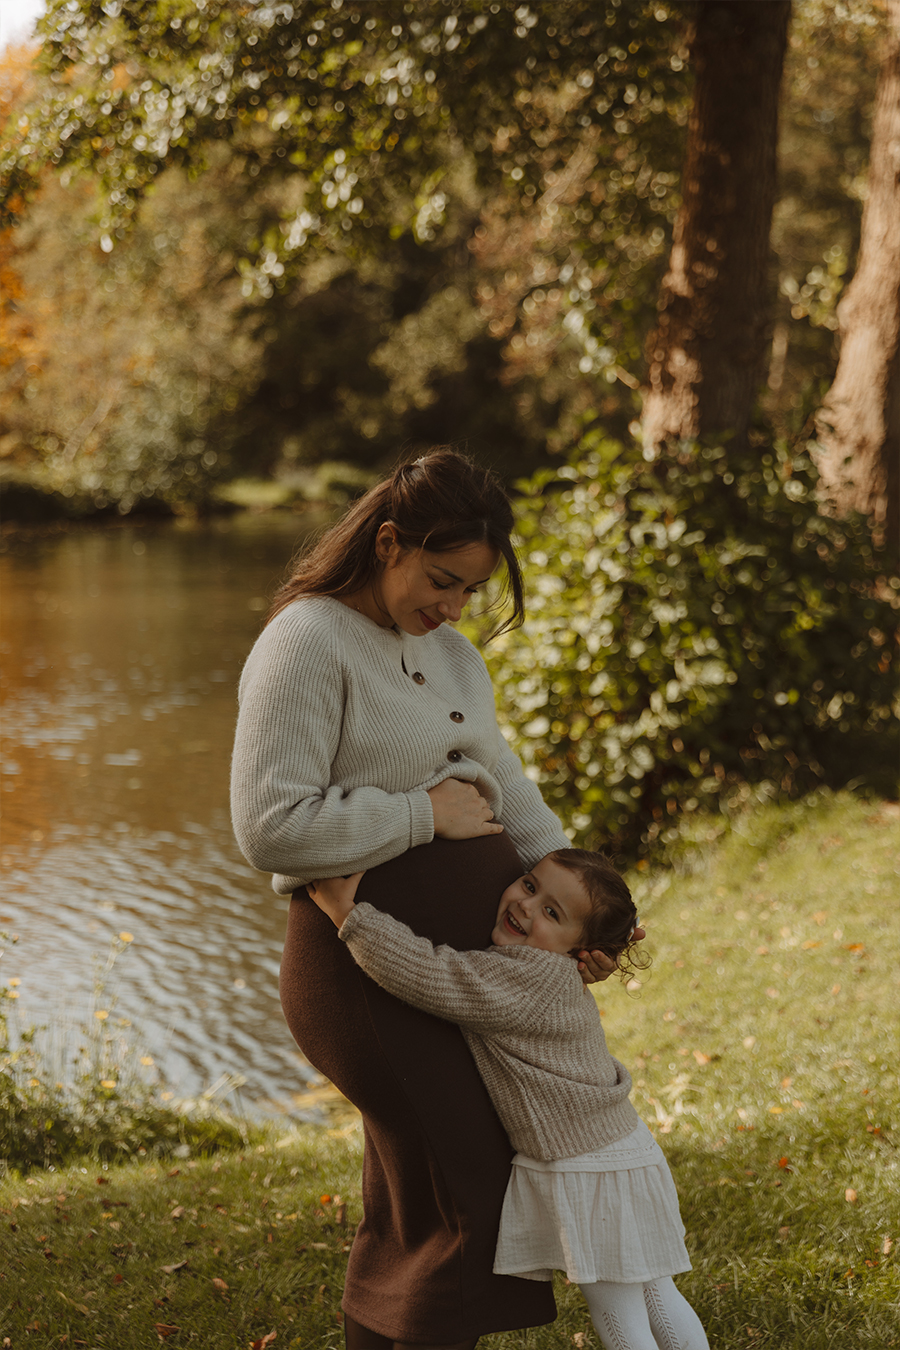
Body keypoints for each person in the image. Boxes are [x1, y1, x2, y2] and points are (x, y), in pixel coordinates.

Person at [230, 449, 643, 1350]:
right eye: (441, 579)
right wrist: (420, 817)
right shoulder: (306, 642)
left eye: (471, 591)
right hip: (366, 970)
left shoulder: (451, 656)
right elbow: (269, 826)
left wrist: (596, 915)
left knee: (420, 1204)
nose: (453, 608)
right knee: (465, 1193)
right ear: (388, 542)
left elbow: (507, 788)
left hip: (455, 975)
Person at [307, 850, 710, 1350]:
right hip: (623, 1151)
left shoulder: (523, 977)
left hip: (588, 1167)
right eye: (528, 885)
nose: (527, 906)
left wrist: (351, 917)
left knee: (620, 1310)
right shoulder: (550, 972)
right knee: (654, 1291)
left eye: (553, 914)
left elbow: (432, 974)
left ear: (578, 950)